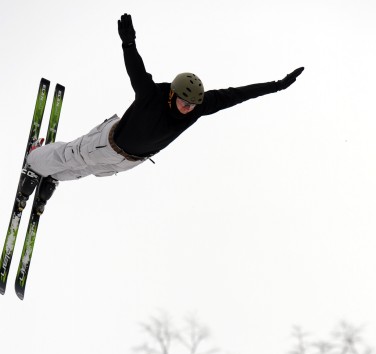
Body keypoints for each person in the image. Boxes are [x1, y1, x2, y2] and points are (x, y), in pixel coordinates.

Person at [20, 13, 304, 209]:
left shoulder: (197, 109)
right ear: (173, 94)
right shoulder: (151, 94)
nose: (187, 108)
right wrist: (128, 43)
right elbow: (136, 68)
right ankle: (35, 163)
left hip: (131, 160)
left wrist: (277, 86)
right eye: (184, 101)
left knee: (88, 171)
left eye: (192, 104)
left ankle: (52, 176)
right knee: (72, 154)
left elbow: (237, 94)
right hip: (108, 141)